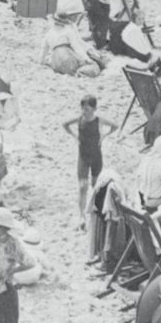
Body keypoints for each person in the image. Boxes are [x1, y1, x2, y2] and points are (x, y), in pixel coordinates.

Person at [62, 95, 103, 226]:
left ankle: (95, 213)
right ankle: (81, 216)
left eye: (87, 109)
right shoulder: (79, 119)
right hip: (83, 156)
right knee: (82, 186)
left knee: (96, 186)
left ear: (94, 109)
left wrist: (104, 136)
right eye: (83, 109)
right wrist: (74, 136)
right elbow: (65, 124)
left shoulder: (99, 120)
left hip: (96, 156)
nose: (84, 112)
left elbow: (114, 125)